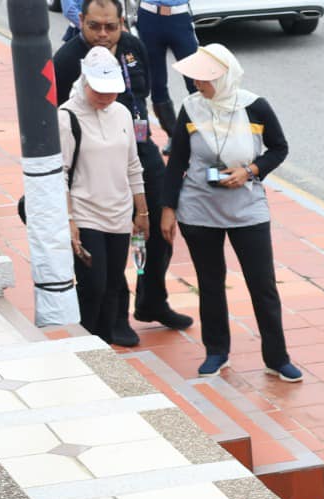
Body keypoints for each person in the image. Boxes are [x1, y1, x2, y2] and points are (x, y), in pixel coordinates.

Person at [53, 0, 192, 344]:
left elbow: (150, 95)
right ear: (81, 21)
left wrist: (174, 135)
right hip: (90, 156)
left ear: (121, 24)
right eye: (94, 26)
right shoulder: (66, 61)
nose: (102, 34)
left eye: (110, 27)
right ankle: (115, 315)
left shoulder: (133, 47)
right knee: (108, 243)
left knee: (161, 223)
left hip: (135, 144)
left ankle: (153, 300)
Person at [160, 45, 301, 381]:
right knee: (210, 283)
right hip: (199, 209)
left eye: (205, 78)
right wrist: (168, 207)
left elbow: (279, 148)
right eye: (194, 77)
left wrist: (251, 171)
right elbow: (178, 159)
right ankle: (216, 351)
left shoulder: (255, 106)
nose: (197, 84)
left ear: (225, 76)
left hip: (247, 208)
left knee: (262, 284)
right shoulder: (191, 109)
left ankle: (277, 357)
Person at [61, 47, 148, 348]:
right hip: (86, 214)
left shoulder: (122, 113)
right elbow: (59, 175)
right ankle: (84, 347)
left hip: (119, 214)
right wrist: (70, 220)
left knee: (113, 286)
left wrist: (142, 211)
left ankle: (104, 345)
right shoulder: (67, 117)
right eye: (99, 90)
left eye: (112, 91)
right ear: (84, 81)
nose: (106, 97)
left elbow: (133, 165)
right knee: (92, 286)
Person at [133, 0, 200, 141]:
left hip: (179, 16)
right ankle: (173, 136)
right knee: (156, 84)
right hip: (149, 17)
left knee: (195, 80)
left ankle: (200, 133)